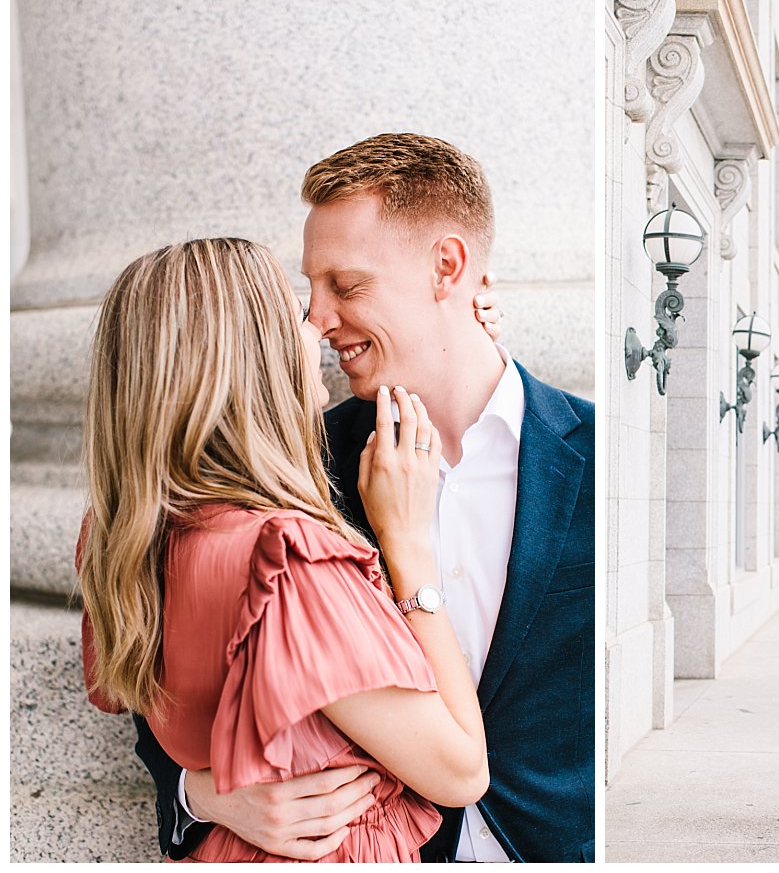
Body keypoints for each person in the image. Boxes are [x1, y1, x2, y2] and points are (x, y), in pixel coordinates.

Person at [127, 134, 596, 863]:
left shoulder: (599, 456)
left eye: (345, 287)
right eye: (309, 290)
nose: (315, 321)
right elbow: (164, 652)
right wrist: (203, 793)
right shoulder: (290, 467)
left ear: (449, 267)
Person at [79, 238, 489, 861]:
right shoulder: (289, 562)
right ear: (255, 358)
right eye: (299, 314)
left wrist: (204, 794)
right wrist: (410, 549)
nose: (318, 329)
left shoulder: (123, 542)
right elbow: (461, 773)